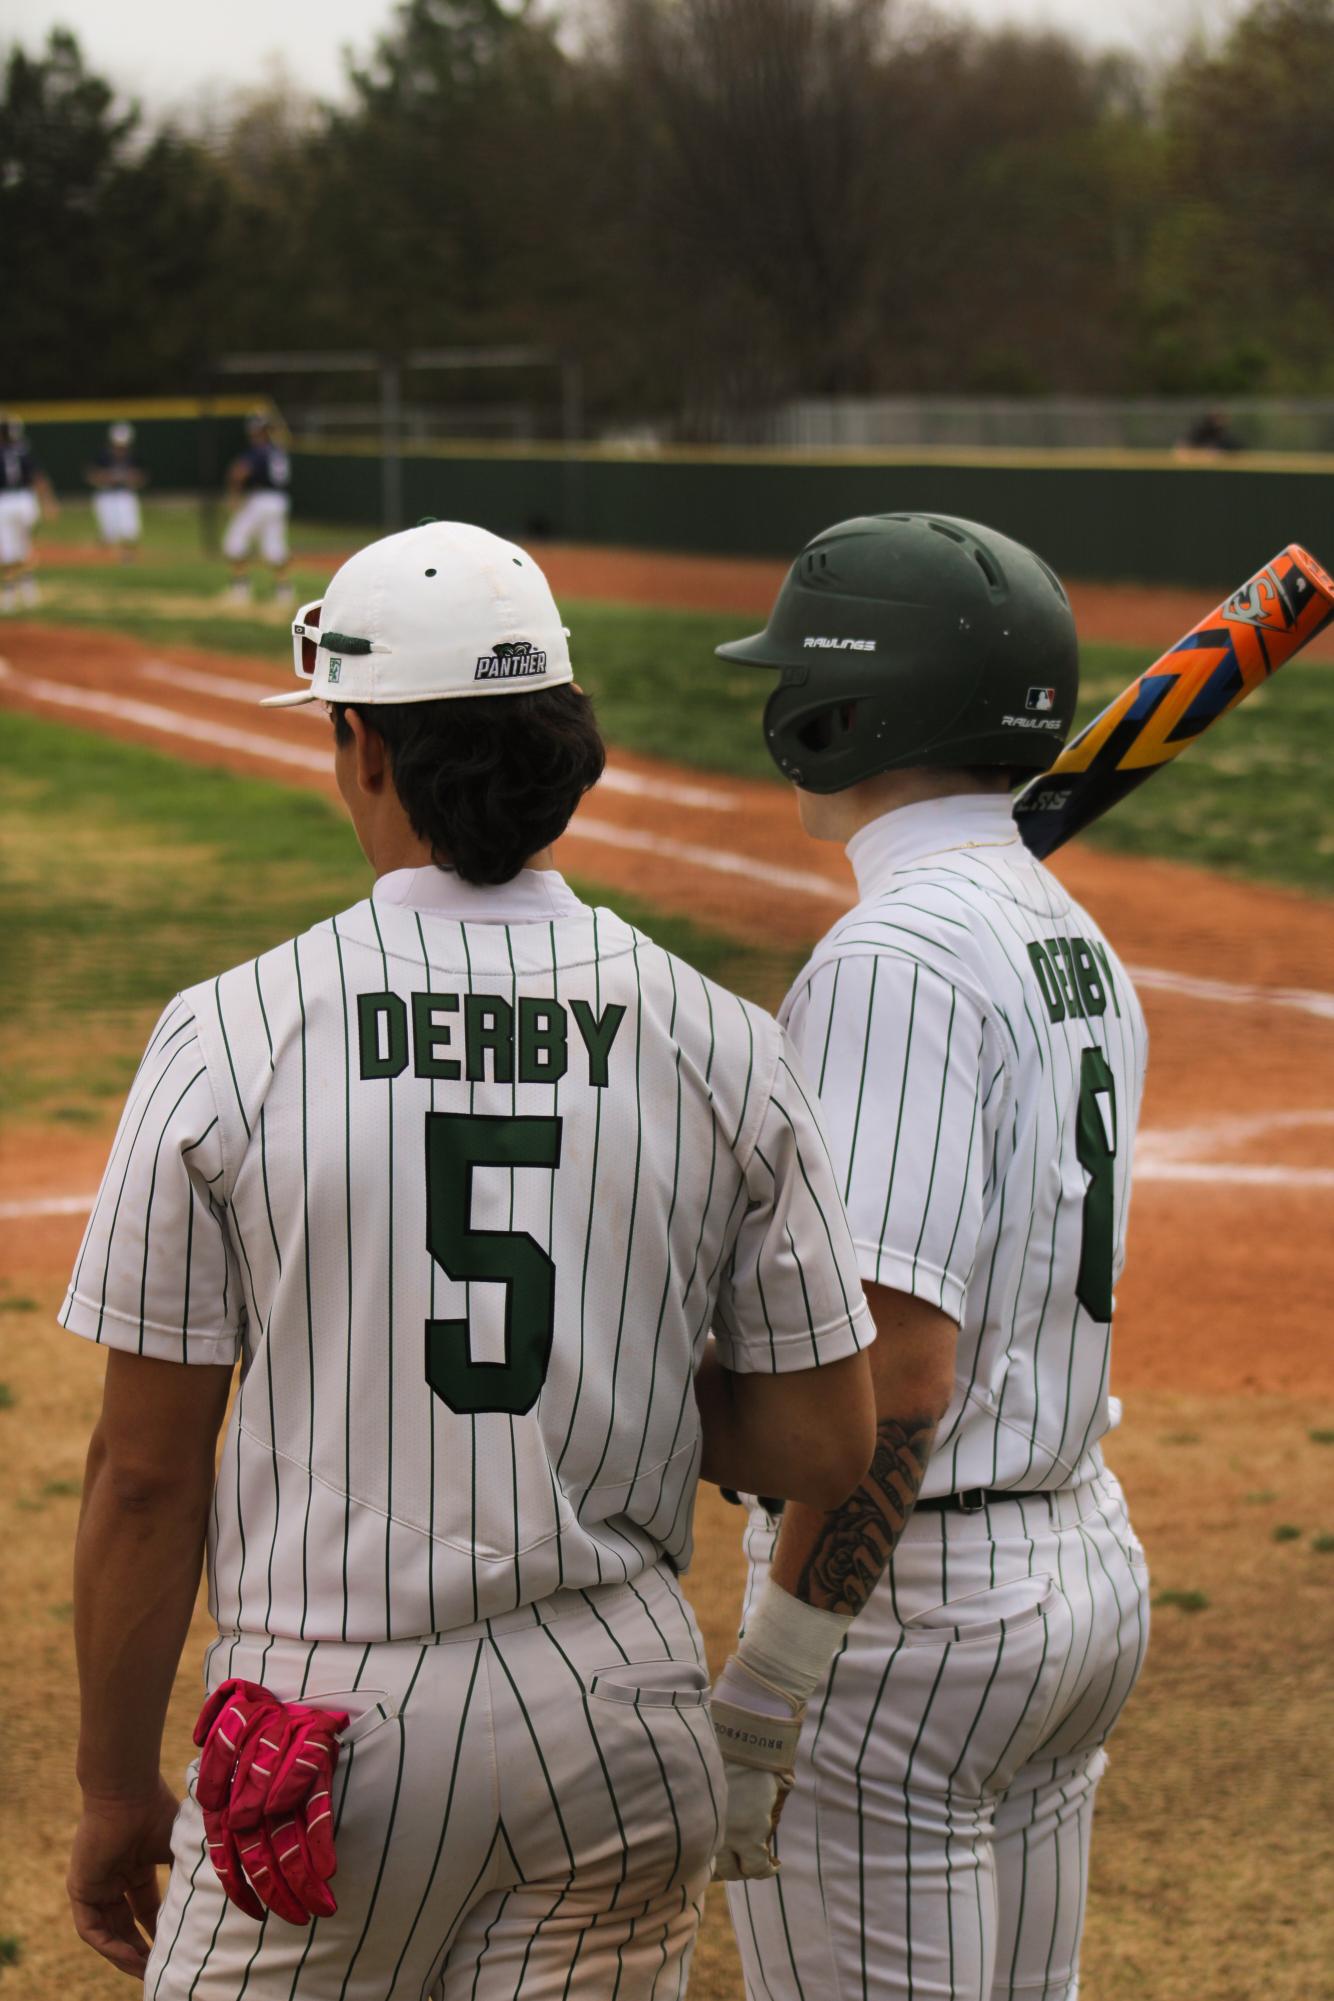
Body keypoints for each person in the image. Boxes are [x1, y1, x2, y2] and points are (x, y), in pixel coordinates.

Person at [59, 520, 878, 1996]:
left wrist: (117, 1787)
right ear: (563, 743)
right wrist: (604, 1383)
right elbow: (827, 1435)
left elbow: (143, 1473)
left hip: (331, 1723)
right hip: (623, 1714)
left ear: (365, 749)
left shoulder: (230, 1032)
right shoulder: (723, 1039)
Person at [710, 512, 1152, 1998]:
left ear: (839, 711)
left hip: (913, 1619)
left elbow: (896, 1375)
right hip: (1071, 1561)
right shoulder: (1067, 932)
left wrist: (771, 1680)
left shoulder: (893, 956)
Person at [223, 411, 292, 604]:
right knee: (274, 546)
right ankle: (284, 591)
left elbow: (238, 473)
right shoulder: (278, 451)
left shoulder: (258, 450)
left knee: (234, 540)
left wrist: (234, 496)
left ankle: (240, 589)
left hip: (260, 499)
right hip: (279, 500)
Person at [0, 412, 58, 612]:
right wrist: (49, 503)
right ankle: (28, 589)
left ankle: (9, 594)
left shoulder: (14, 453)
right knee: (23, 545)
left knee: (8, 549)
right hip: (25, 500)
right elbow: (39, 479)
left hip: (5, 501)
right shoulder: (23, 452)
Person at [87, 420, 148, 559]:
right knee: (109, 533)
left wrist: (131, 479)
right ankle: (106, 556)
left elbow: (142, 477)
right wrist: (106, 478)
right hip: (107, 495)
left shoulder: (132, 457)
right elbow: (92, 475)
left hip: (126, 494)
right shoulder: (103, 456)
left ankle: (127, 556)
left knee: (130, 530)